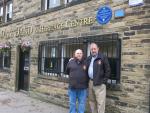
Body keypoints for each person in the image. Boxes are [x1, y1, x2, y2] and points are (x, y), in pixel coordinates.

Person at [87, 43, 111, 113]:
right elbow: (84, 66)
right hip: (91, 82)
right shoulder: (89, 58)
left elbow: (108, 70)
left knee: (100, 103)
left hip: (100, 83)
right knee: (92, 101)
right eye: (91, 49)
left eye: (94, 49)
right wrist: (74, 59)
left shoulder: (102, 57)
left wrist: (104, 81)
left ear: (98, 49)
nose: (93, 50)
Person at [66, 49, 89, 113]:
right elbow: (67, 72)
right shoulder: (70, 62)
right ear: (75, 54)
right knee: (72, 103)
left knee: (82, 104)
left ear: (82, 54)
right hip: (72, 87)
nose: (79, 54)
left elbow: (88, 74)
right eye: (77, 53)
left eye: (80, 53)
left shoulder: (86, 62)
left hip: (82, 88)